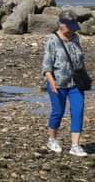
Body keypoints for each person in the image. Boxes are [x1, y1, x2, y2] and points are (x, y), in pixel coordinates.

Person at [42, 10, 88, 156]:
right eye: (70, 26)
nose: (72, 30)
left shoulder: (76, 38)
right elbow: (46, 65)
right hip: (58, 82)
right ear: (62, 24)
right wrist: (52, 83)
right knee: (58, 112)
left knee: (78, 111)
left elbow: (80, 59)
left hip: (76, 83)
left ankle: (75, 145)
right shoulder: (52, 39)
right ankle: (52, 140)